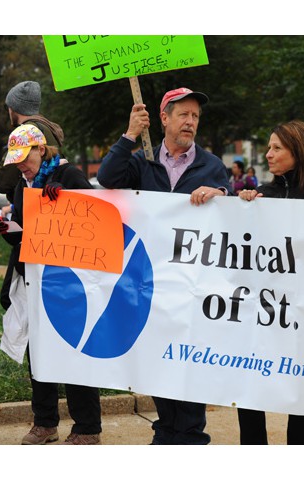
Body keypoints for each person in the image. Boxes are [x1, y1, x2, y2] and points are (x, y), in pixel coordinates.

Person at [97, 86, 231, 445]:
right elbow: (108, 179)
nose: (191, 122)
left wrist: (222, 197)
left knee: (188, 361)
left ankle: (189, 435)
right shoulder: (142, 162)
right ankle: (167, 429)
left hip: (192, 289)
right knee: (157, 360)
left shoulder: (211, 166)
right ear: (163, 118)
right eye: (184, 115)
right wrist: (129, 135)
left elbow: (234, 221)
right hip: (149, 285)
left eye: (196, 117)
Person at [0, 124, 102, 445]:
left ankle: (87, 427)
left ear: (42, 149)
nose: (21, 165)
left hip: (70, 283)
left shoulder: (70, 176)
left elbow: (96, 215)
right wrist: (6, 229)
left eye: (26, 157)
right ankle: (45, 423)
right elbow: (26, 237)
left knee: (74, 351)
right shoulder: (20, 188)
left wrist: (67, 200)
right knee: (39, 353)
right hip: (35, 281)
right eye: (17, 160)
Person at [237, 120, 304, 444]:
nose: (268, 154)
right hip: (262, 316)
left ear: (298, 151)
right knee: (251, 392)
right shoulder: (260, 196)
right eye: (268, 147)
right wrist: (238, 207)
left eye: (276, 148)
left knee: (302, 400)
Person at [0, 81, 65, 313]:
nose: (21, 164)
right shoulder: (51, 128)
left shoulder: (25, 134)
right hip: (34, 220)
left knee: (14, 295)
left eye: (24, 157)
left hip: (39, 224)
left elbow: (3, 179)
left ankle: (34, 345)